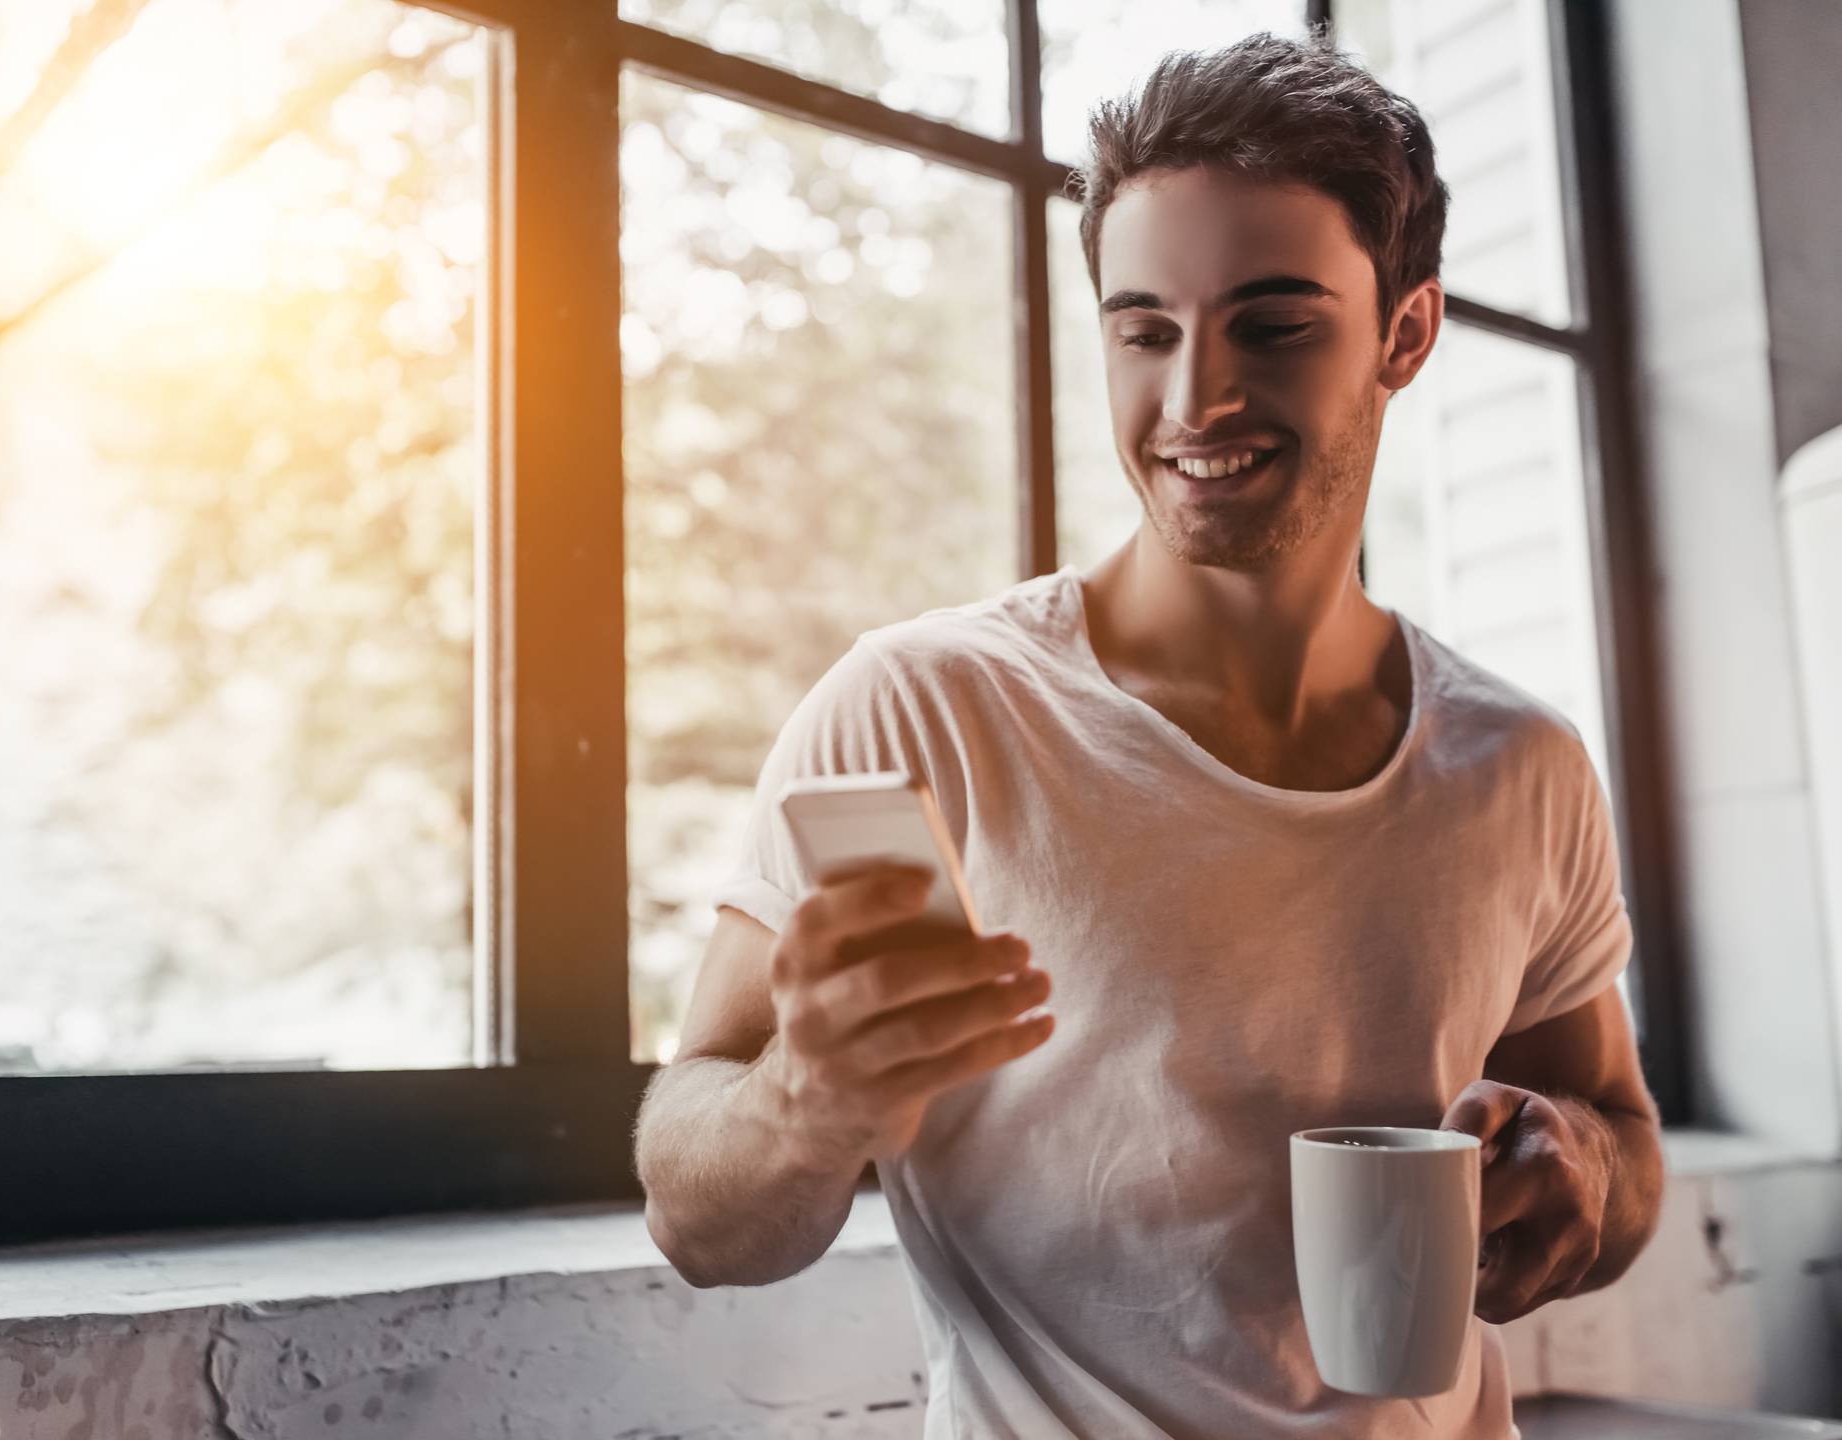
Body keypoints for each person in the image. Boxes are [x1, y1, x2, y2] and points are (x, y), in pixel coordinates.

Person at [634, 30, 1664, 1440]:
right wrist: (805, 1104)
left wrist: (1586, 1170)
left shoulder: (1520, 766)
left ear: (1406, 334)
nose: (1193, 402)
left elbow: (1618, 1128)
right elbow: (697, 1216)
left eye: (1274, 323)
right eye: (1145, 330)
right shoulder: (924, 712)